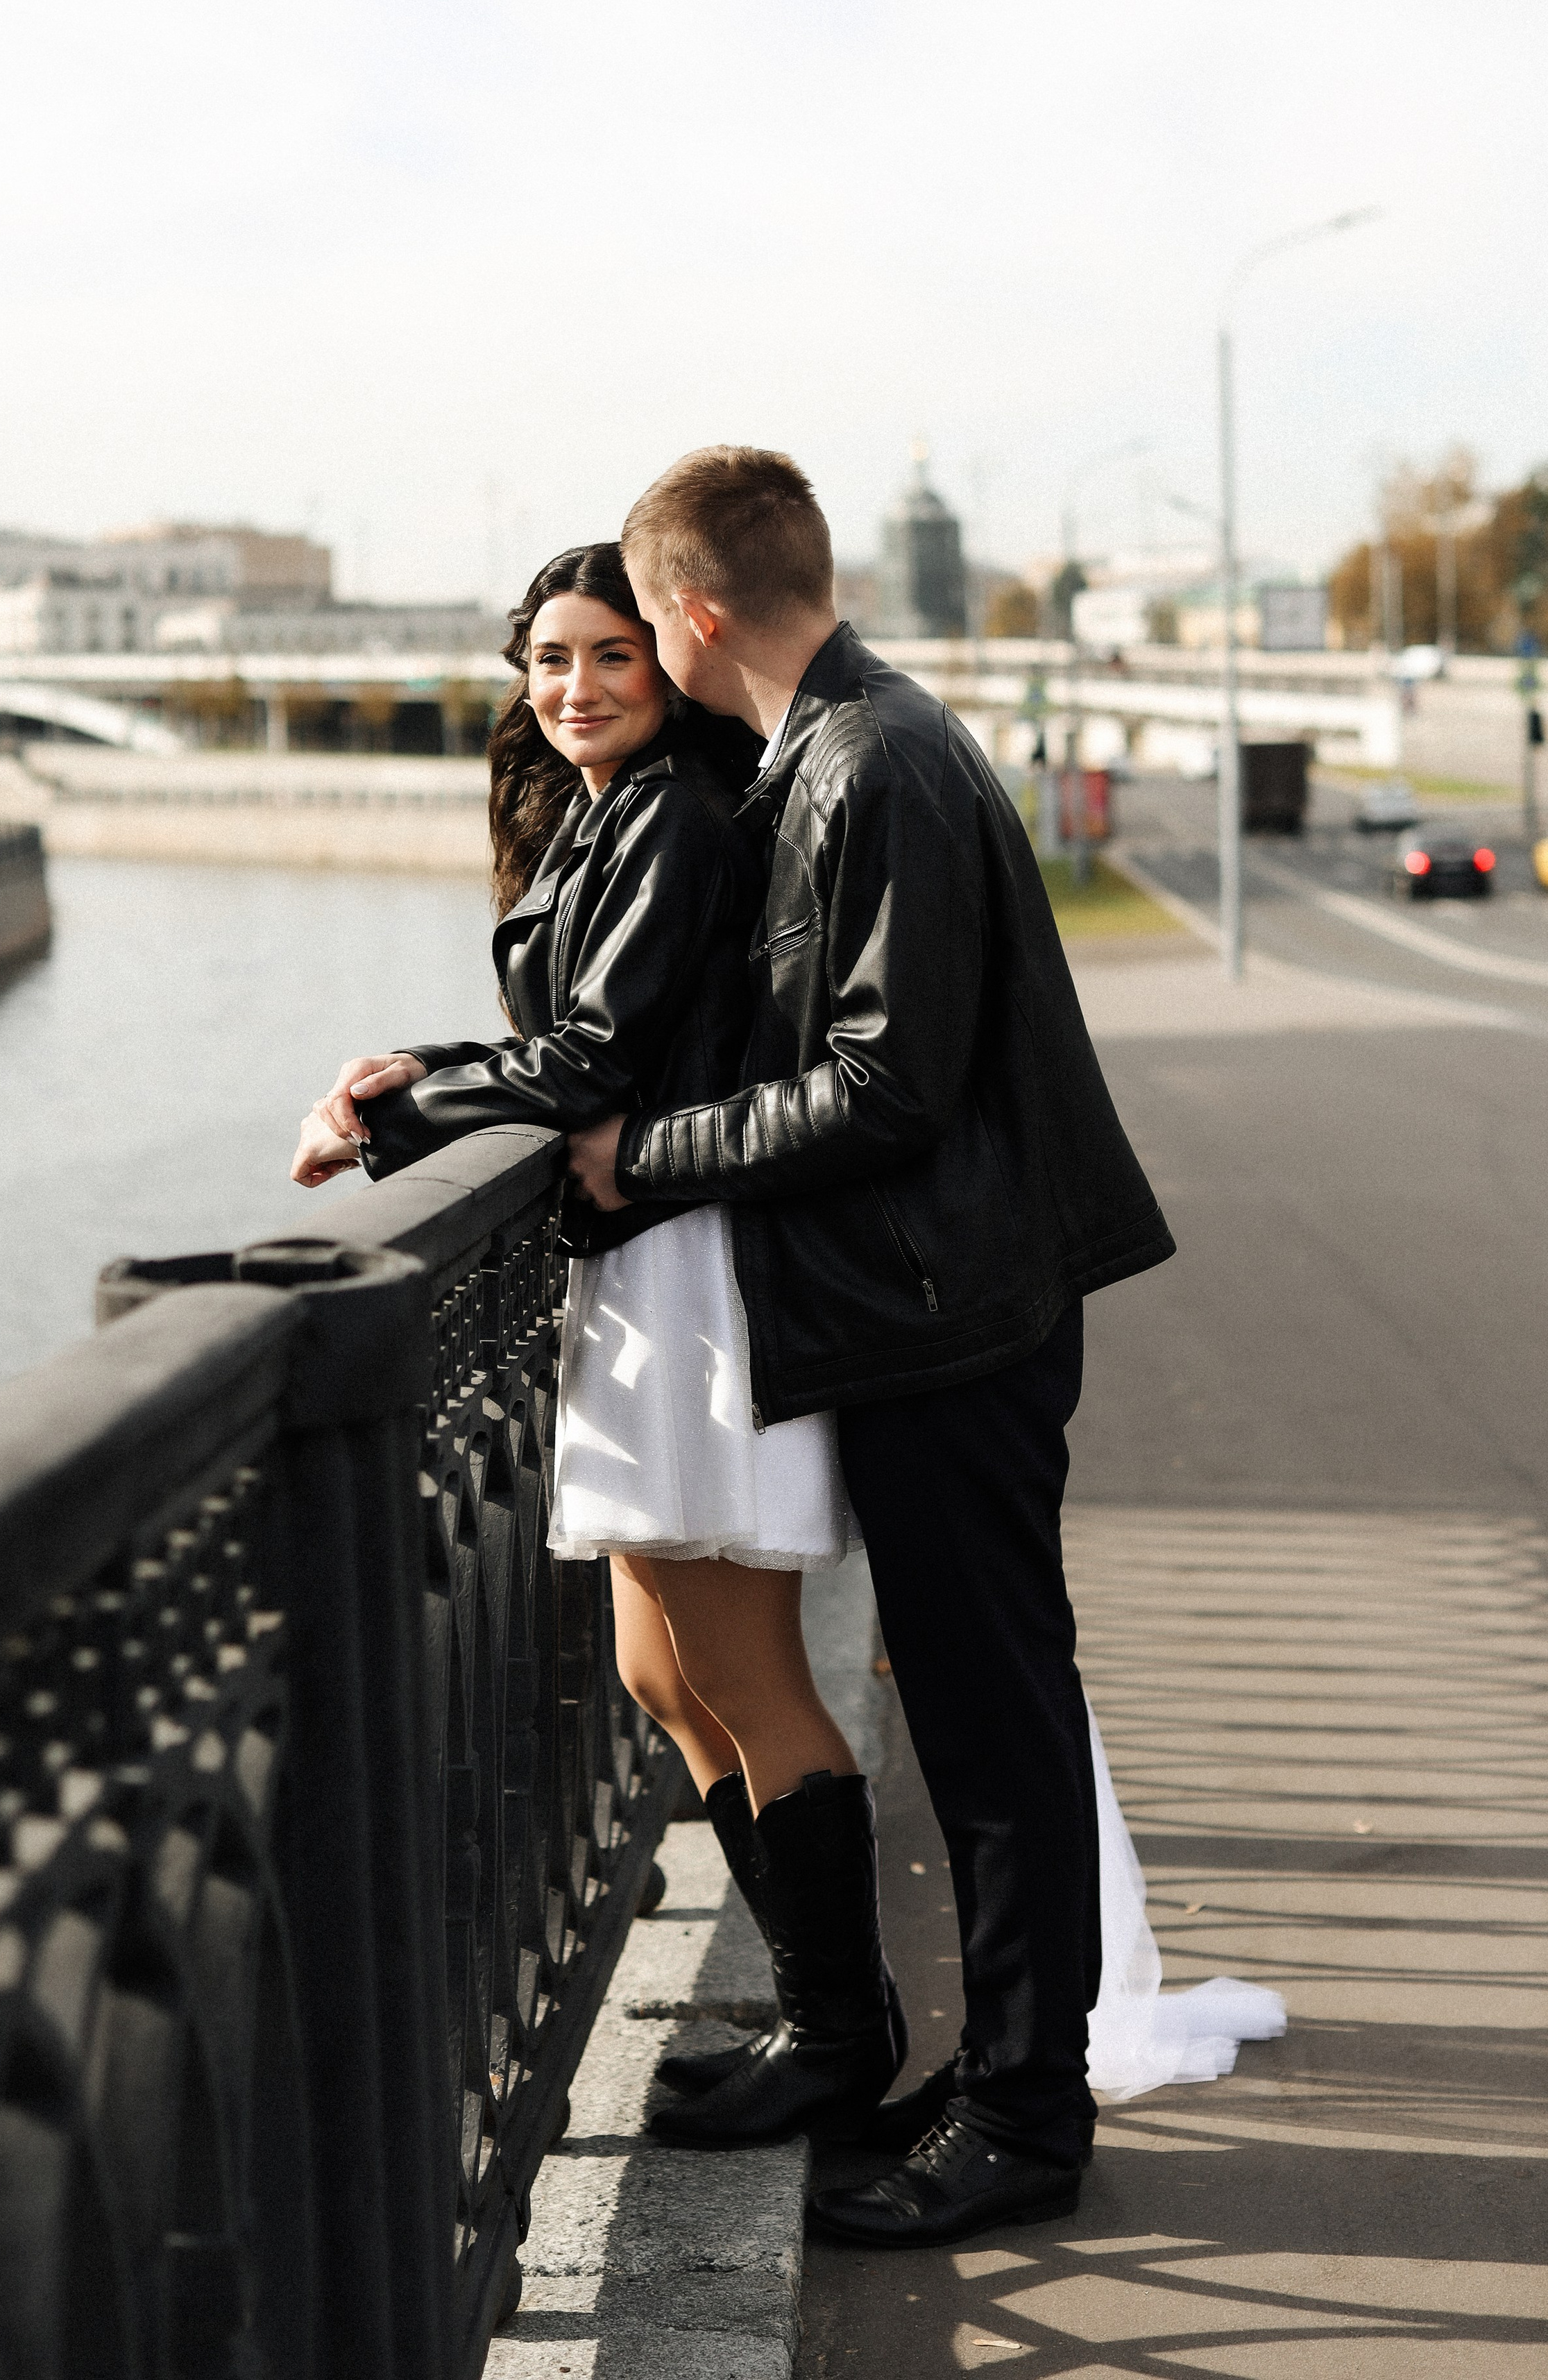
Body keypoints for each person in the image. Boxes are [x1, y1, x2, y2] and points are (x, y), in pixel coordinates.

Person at [563, 446, 1177, 2247]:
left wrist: (642, 1153)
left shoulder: (872, 760)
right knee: (983, 1715)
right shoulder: (849, 744)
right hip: (942, 1303)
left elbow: (885, 1084)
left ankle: (1024, 2125)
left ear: (688, 611)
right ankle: (999, 2080)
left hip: (954, 1310)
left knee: (994, 1722)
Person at [291, 542, 908, 2150]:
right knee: (656, 1663)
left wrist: (386, 1123)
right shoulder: (615, 812)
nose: (571, 688)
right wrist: (417, 1063)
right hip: (640, 1265)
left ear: (665, 664)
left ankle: (841, 2034)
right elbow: (574, 1040)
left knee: (737, 1665)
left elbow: (595, 1057)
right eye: (547, 660)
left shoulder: (682, 816)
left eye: (607, 657)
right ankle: (815, 2006)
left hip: (700, 1266)